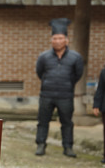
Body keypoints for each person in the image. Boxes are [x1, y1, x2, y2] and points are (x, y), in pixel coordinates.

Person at [35, 18, 85, 157]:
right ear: (51, 40)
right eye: (55, 38)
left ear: (66, 40)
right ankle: (40, 144)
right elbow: (40, 72)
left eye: (60, 38)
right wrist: (48, 83)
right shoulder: (44, 57)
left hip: (65, 95)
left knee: (67, 122)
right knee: (43, 121)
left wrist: (67, 84)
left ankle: (68, 147)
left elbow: (78, 74)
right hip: (46, 95)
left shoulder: (75, 57)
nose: (57, 41)